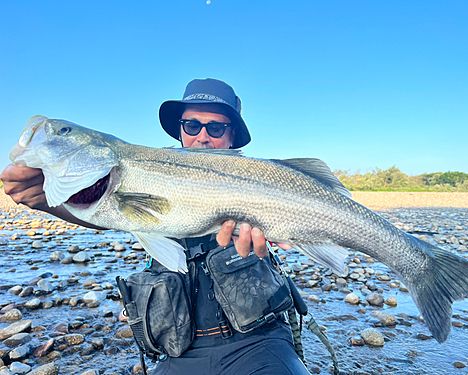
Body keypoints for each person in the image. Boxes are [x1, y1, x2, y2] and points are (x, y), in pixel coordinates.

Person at [1, 78, 311, 375]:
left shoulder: (259, 181)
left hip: (261, 344)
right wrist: (46, 199)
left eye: (215, 127)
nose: (202, 136)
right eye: (192, 125)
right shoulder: (151, 171)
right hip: (181, 353)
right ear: (180, 131)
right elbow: (108, 211)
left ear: (231, 137)